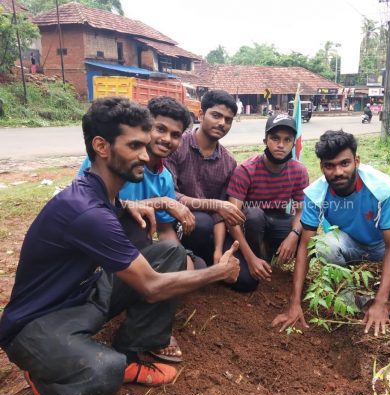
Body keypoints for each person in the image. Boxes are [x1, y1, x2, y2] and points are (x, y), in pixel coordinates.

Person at [0, 97, 240, 395]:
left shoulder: (101, 194)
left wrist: (138, 204)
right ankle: (48, 380)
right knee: (104, 371)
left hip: (81, 298)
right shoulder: (87, 211)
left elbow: (119, 217)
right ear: (101, 146)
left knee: (168, 252)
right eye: (135, 146)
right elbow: (151, 287)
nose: (146, 153)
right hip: (34, 327)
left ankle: (131, 349)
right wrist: (217, 271)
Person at [272, 130, 390, 336]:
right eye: (330, 165)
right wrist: (294, 302)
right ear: (322, 167)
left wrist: (380, 302)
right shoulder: (316, 194)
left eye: (345, 163)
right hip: (349, 242)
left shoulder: (381, 189)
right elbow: (305, 247)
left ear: (357, 161)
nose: (338, 172)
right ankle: (348, 290)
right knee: (321, 246)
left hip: (381, 242)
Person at [78, 96, 199, 363]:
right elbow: (88, 206)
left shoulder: (164, 177)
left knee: (186, 261)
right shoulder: (111, 157)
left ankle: (142, 332)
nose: (167, 138)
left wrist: (181, 265)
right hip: (102, 248)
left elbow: (166, 229)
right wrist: (158, 201)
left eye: (176, 134)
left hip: (134, 250)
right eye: (160, 128)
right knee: (135, 221)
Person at [225, 113, 309, 292]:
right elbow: (231, 218)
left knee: (308, 232)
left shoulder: (299, 171)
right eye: (275, 138)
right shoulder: (246, 170)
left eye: (287, 140)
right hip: (249, 221)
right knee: (255, 215)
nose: (281, 145)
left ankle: (288, 269)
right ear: (265, 141)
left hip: (278, 218)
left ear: (293, 143)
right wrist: (250, 258)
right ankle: (256, 258)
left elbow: (302, 211)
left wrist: (293, 235)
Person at [165, 90, 245, 267]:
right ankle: (185, 258)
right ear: (201, 115)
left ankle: (206, 259)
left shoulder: (228, 162)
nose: (222, 123)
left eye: (228, 120)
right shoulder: (176, 146)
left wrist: (218, 250)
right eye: (216, 115)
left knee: (245, 282)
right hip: (176, 224)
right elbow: (170, 196)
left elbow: (221, 214)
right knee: (201, 221)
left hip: (213, 231)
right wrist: (215, 204)